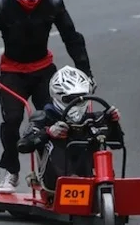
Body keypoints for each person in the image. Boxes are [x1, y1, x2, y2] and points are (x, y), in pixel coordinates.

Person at [0, 0, 93, 194]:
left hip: (44, 71)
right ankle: (12, 171)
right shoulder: (0, 8)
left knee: (57, 120)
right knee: (12, 120)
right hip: (12, 72)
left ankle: (47, 172)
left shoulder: (54, 5)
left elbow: (72, 38)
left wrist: (86, 74)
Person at [17, 66, 123, 195]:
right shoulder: (44, 117)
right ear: (58, 96)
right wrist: (48, 132)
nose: (76, 103)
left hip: (90, 178)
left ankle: (102, 181)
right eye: (71, 99)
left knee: (97, 137)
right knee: (55, 141)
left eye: (80, 98)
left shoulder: (92, 119)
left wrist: (112, 122)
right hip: (54, 182)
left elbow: (117, 144)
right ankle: (72, 180)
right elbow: (23, 146)